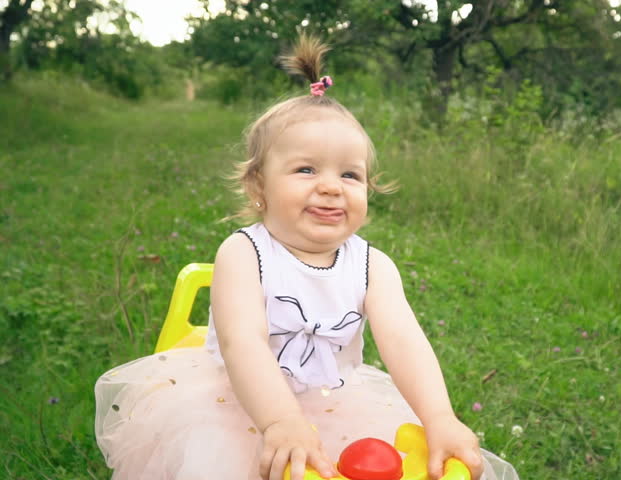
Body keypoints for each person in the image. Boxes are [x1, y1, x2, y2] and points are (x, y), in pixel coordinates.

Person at [94, 34, 520, 480]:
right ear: (258, 186)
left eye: (350, 175)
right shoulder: (244, 254)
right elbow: (244, 343)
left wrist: (439, 417)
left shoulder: (373, 266)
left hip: (334, 402)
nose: (331, 186)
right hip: (241, 403)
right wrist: (281, 421)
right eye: (306, 169)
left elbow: (404, 340)